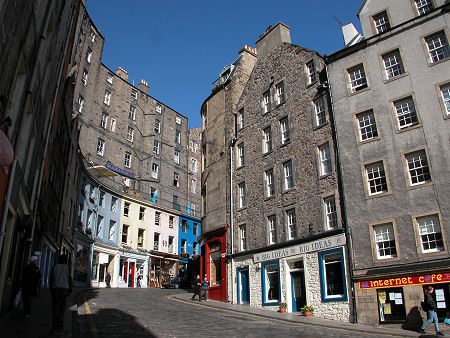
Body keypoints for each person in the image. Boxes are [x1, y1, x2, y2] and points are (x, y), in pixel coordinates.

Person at [50, 254, 72, 332]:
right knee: (62, 306)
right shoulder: (67, 268)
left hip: (56, 288)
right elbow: (69, 279)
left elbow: (52, 278)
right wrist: (70, 289)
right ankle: (60, 320)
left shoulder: (55, 267)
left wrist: (51, 288)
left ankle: (54, 324)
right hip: (64, 289)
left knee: (55, 307)